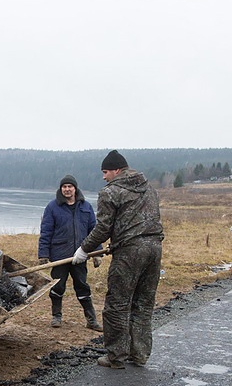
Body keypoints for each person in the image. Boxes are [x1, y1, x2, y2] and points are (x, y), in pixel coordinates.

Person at [73, 150, 164, 369]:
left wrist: (84, 249)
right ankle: (140, 354)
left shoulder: (110, 192)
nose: (104, 177)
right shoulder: (149, 189)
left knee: (117, 305)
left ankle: (116, 356)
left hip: (129, 252)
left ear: (116, 170)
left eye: (105, 172)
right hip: (154, 249)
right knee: (143, 303)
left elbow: (104, 226)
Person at [38, 174, 102, 330]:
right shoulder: (52, 207)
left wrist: (97, 252)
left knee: (82, 286)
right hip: (59, 255)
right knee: (57, 286)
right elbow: (46, 232)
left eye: (70, 187)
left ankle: (91, 320)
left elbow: (94, 231)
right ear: (61, 189)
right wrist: (43, 254)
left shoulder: (86, 207)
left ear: (75, 188)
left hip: (81, 255)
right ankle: (56, 316)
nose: (67, 189)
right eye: (64, 187)